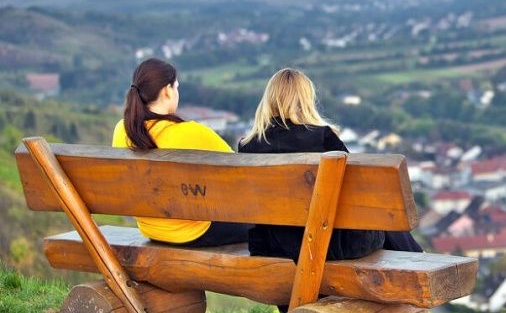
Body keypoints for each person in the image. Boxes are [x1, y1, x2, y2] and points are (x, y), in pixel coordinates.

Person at [239, 67, 423, 260]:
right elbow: (358, 190)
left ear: (268, 100)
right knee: (379, 210)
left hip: (270, 246)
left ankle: (416, 255)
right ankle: (417, 256)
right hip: (331, 246)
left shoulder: (247, 147)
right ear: (306, 100)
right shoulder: (323, 137)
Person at [112, 58, 251, 247]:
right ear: (167, 91)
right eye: (176, 87)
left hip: (152, 230)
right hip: (194, 231)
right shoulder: (191, 132)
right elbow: (244, 171)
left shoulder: (122, 130)